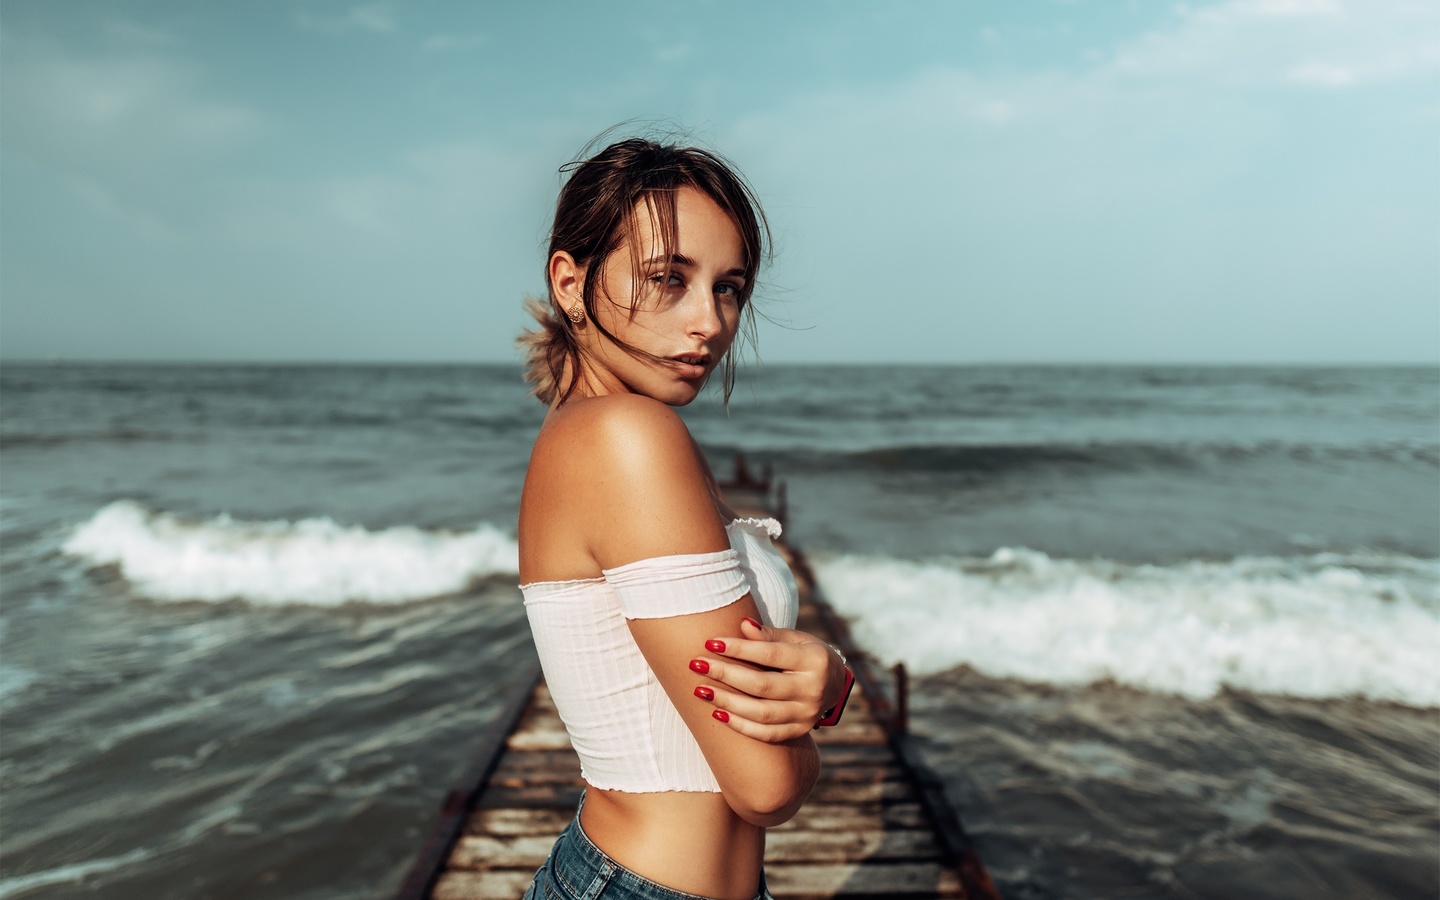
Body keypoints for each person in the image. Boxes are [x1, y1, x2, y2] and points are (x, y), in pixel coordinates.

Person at [516, 136, 853, 900]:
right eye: (668, 279)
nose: (708, 321)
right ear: (571, 282)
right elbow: (766, 787)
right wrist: (829, 689)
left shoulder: (604, 427)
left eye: (728, 287)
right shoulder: (626, 437)